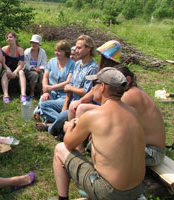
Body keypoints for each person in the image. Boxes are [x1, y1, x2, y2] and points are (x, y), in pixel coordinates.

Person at [54, 67, 145, 200]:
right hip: (136, 190)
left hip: (111, 192)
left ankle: (62, 198)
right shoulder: (133, 112)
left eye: (93, 85)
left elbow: (68, 144)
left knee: (59, 149)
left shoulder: (93, 115)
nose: (92, 89)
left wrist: (68, 128)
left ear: (102, 87)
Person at [38, 35, 98, 137]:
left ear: (88, 49)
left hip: (79, 104)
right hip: (68, 100)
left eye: (79, 48)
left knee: (62, 115)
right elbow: (70, 86)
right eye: (76, 47)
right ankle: (62, 125)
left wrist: (70, 88)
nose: (76, 50)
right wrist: (65, 104)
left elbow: (86, 92)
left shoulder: (92, 68)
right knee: (44, 105)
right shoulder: (78, 64)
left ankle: (52, 127)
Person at [116, 65, 166, 166]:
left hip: (152, 153)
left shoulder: (130, 95)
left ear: (127, 80)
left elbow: (109, 117)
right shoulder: (135, 90)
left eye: (114, 81)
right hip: (150, 149)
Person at [68, 40, 122, 122]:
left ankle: (80, 132)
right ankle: (71, 130)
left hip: (107, 105)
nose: (100, 57)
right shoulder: (102, 70)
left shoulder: (113, 73)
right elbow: (93, 90)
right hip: (98, 102)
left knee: (81, 108)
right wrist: (80, 101)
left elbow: (92, 91)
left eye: (102, 55)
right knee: (74, 105)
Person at [34, 40, 74, 125]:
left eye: (59, 51)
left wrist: (51, 87)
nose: (56, 53)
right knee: (43, 99)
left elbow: (68, 81)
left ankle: (48, 119)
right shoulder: (52, 61)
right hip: (50, 92)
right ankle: (57, 121)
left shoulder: (72, 64)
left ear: (66, 51)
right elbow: (45, 76)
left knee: (44, 105)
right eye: (55, 50)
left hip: (63, 95)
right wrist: (46, 91)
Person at [1, 32, 26, 103]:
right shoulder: (4, 49)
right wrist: (7, 69)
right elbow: (3, 63)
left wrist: (15, 72)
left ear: (15, 38)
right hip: (6, 68)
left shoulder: (20, 50)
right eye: (7, 38)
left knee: (21, 72)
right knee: (5, 73)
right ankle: (6, 95)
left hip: (16, 68)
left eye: (10, 37)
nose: (8, 39)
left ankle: (23, 94)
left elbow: (21, 64)